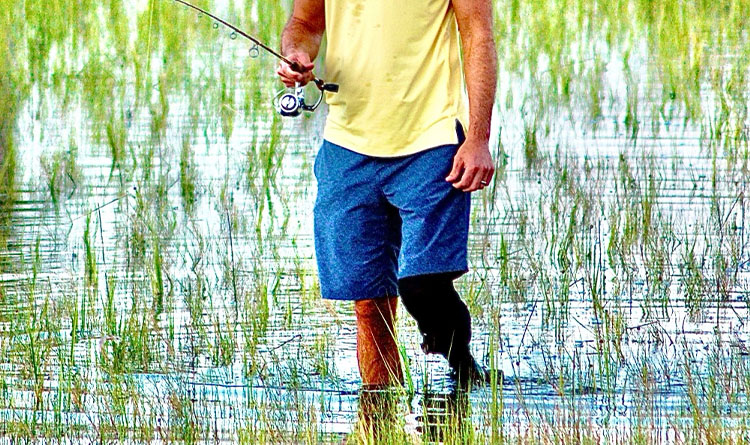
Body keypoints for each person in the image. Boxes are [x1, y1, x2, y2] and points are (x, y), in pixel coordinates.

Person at [277, 0, 497, 391]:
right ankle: (379, 412)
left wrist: (478, 138)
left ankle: (461, 365)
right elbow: (305, 24)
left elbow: (478, 36)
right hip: (347, 144)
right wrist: (296, 54)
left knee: (423, 286)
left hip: (433, 138)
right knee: (369, 305)